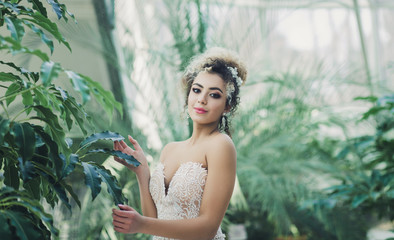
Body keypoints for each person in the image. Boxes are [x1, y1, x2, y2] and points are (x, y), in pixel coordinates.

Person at [112, 47, 247, 240]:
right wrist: (142, 172)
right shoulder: (170, 149)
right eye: (197, 90)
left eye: (214, 94)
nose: (202, 99)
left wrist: (141, 223)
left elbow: (208, 227)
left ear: (227, 106)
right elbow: (155, 221)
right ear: (188, 95)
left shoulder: (221, 145)